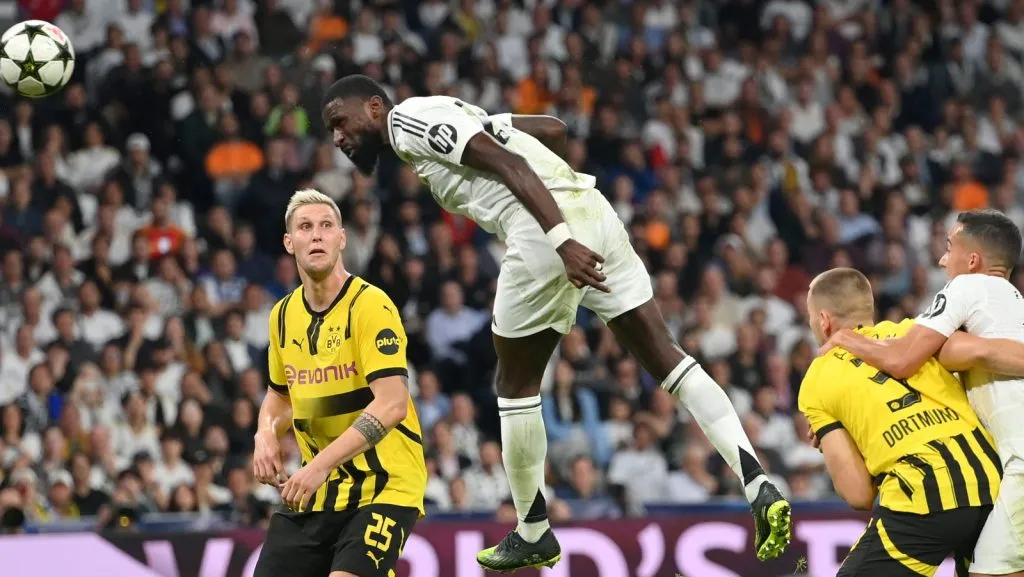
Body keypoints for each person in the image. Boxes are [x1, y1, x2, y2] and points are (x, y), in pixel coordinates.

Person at [319, 74, 790, 571]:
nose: (337, 137)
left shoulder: (407, 121)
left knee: (515, 384)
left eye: (339, 121)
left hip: (546, 232)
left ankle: (533, 530)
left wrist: (561, 237)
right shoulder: (460, 114)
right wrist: (566, 208)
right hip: (594, 211)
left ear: (373, 107)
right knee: (668, 359)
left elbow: (509, 162)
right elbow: (552, 128)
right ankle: (757, 479)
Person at [822, 210, 1024, 577]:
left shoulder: (967, 286)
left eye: (949, 248)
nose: (942, 259)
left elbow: (901, 360)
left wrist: (845, 338)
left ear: (974, 260)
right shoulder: (1008, 310)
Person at [252, 189, 426, 577]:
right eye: (306, 227)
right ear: (289, 242)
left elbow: (392, 404)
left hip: (385, 485)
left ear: (341, 239)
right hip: (318, 493)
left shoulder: (371, 306)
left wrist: (317, 467)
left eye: (326, 226)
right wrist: (264, 434)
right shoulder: (281, 316)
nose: (316, 235)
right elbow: (279, 396)